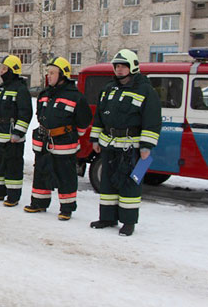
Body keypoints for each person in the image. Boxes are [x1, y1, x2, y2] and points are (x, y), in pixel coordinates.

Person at [89, 49, 162, 236]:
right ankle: (107, 217)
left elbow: (152, 120)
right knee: (107, 183)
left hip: (132, 148)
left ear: (133, 67)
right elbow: (99, 116)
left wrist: (146, 146)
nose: (119, 69)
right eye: (117, 66)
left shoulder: (146, 90)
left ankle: (128, 222)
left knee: (130, 184)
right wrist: (95, 138)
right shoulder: (108, 89)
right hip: (109, 145)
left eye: (123, 66)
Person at [24, 57, 93, 220]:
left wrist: (68, 133)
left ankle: (67, 208)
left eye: (53, 72)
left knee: (65, 176)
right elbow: (40, 115)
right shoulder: (44, 94)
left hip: (64, 144)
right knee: (41, 172)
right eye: (48, 72)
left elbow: (83, 122)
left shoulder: (76, 97)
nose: (49, 76)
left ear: (63, 75)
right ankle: (39, 203)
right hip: (44, 142)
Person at [0, 55, 33, 206]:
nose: (1, 71)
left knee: (13, 166)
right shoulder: (1, 89)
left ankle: (13, 196)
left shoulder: (21, 89)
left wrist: (18, 133)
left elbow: (25, 113)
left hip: (12, 137)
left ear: (12, 70)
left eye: (4, 68)